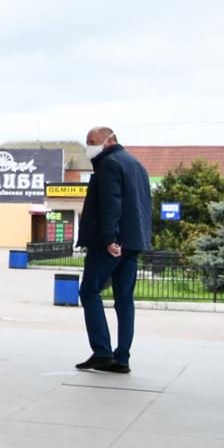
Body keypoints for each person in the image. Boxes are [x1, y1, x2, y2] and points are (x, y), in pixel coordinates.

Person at [75, 126, 151, 374]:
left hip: (110, 244)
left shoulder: (108, 164)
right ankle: (122, 358)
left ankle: (102, 352)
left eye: (92, 141)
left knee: (89, 291)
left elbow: (112, 203)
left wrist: (110, 238)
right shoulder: (137, 165)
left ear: (110, 140)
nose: (89, 146)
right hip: (132, 243)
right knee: (124, 300)